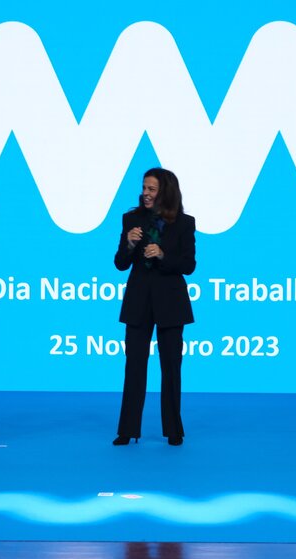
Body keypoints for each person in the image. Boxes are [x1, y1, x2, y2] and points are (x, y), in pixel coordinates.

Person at [113, 168, 196, 446]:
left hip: (171, 303)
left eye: (151, 189)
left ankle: (173, 430)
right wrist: (129, 244)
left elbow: (189, 265)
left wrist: (162, 255)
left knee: (171, 366)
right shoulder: (131, 219)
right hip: (138, 302)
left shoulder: (184, 223)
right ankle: (127, 430)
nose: (145, 194)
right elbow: (120, 263)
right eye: (144, 188)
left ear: (165, 192)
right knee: (134, 366)